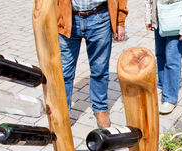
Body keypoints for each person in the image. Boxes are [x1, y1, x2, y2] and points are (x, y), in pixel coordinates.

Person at [55, 0, 128, 128]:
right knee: (64, 72)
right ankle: (62, 113)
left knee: (99, 70)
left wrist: (120, 21)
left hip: (100, 17)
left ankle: (100, 109)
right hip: (67, 18)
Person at [145, 0, 182, 114]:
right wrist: (149, 17)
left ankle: (170, 98)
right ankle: (163, 84)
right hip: (159, 17)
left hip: (176, 20)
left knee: (172, 58)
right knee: (160, 55)